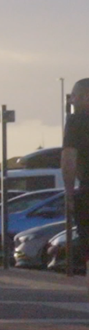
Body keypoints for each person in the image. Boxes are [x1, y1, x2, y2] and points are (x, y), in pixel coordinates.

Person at [64, 78, 88, 282]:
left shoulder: (76, 121)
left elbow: (69, 158)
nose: (71, 101)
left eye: (74, 96)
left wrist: (69, 193)